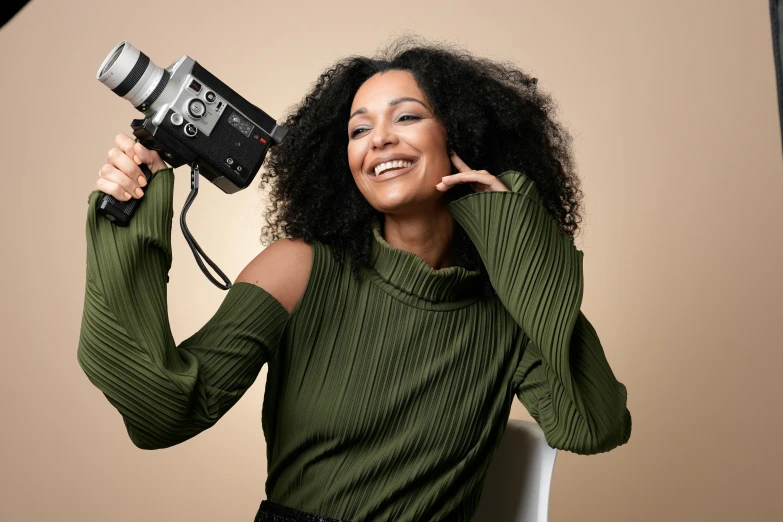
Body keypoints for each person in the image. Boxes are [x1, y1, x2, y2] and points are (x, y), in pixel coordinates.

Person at [78, 36, 632, 522]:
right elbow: (165, 413)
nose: (379, 140)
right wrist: (128, 226)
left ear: (462, 136)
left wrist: (512, 233)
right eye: (358, 128)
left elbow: (593, 424)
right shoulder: (298, 270)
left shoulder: (509, 307)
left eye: (407, 117)